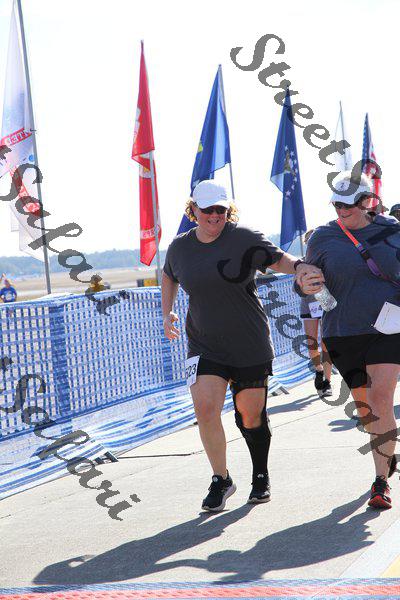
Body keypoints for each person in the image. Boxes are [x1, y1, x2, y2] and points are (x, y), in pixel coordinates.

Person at [162, 180, 322, 512]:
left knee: (250, 416)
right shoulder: (180, 248)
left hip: (249, 344)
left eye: (221, 210)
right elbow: (169, 275)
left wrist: (300, 267)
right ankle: (221, 479)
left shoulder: (243, 238)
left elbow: (278, 259)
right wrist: (168, 312)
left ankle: (260, 475)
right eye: (207, 209)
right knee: (205, 409)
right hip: (204, 344)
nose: (214, 216)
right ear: (193, 211)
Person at [297, 171, 400, 510]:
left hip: (389, 329)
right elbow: (304, 281)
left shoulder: (391, 230)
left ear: (367, 201)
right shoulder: (323, 237)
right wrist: (305, 282)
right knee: (367, 408)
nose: (342, 210)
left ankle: (380, 481)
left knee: (381, 397)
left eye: (349, 204)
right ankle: (386, 453)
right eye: (337, 204)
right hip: (342, 332)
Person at [299, 230, 332, 398]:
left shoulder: (328, 259)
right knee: (312, 344)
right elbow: (296, 288)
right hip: (309, 305)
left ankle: (327, 381)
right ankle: (318, 370)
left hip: (326, 303)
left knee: (326, 344)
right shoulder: (301, 264)